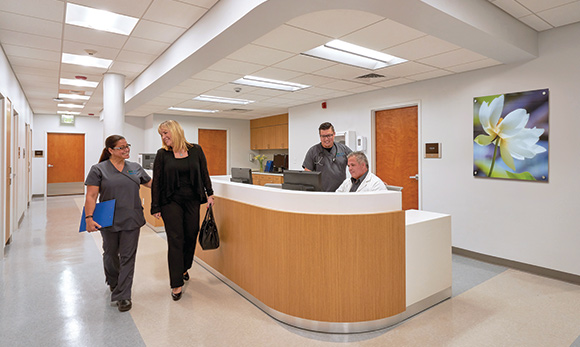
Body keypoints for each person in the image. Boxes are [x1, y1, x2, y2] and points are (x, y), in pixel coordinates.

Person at [84, 135, 152, 312]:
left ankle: (124, 295)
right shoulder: (98, 169)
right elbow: (91, 196)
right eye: (121, 147)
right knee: (110, 253)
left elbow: (152, 184)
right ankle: (113, 282)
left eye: (127, 146)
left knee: (128, 256)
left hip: (132, 217)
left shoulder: (135, 168)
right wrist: (89, 218)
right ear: (110, 150)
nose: (126, 150)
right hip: (108, 218)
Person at [151, 120, 214, 301]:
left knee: (191, 234)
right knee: (175, 239)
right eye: (161, 134)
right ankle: (176, 282)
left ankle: (184, 266)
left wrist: (209, 194)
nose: (163, 137)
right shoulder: (162, 154)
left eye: (165, 133)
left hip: (192, 200)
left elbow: (204, 173)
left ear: (175, 131)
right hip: (171, 201)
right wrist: (155, 206)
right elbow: (157, 181)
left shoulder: (196, 150)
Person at [302, 122, 352, 192]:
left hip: (340, 192)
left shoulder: (343, 149)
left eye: (329, 135)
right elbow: (307, 175)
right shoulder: (313, 151)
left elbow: (355, 164)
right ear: (320, 136)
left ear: (334, 134)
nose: (326, 139)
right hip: (320, 193)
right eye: (323, 136)